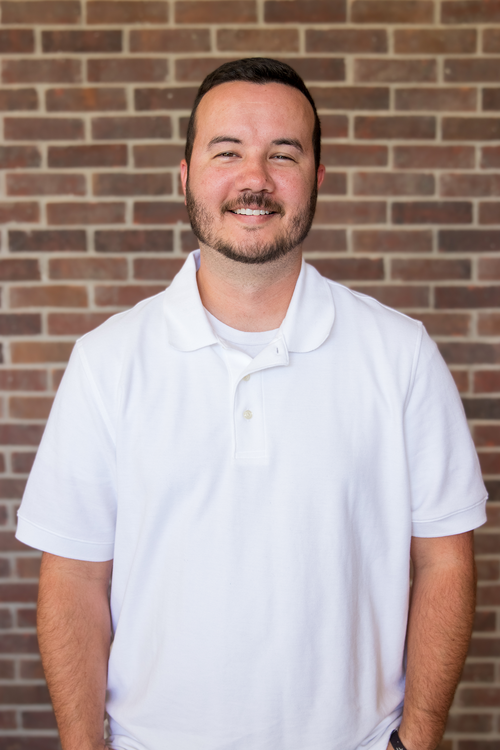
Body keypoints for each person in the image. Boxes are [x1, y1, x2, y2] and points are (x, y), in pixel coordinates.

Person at [16, 58, 487, 750]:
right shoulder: (106, 361)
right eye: (227, 151)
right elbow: (75, 578)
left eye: (283, 154)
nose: (255, 179)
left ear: (318, 179)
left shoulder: (401, 354)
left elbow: (444, 562)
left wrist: (414, 742)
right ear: (185, 174)